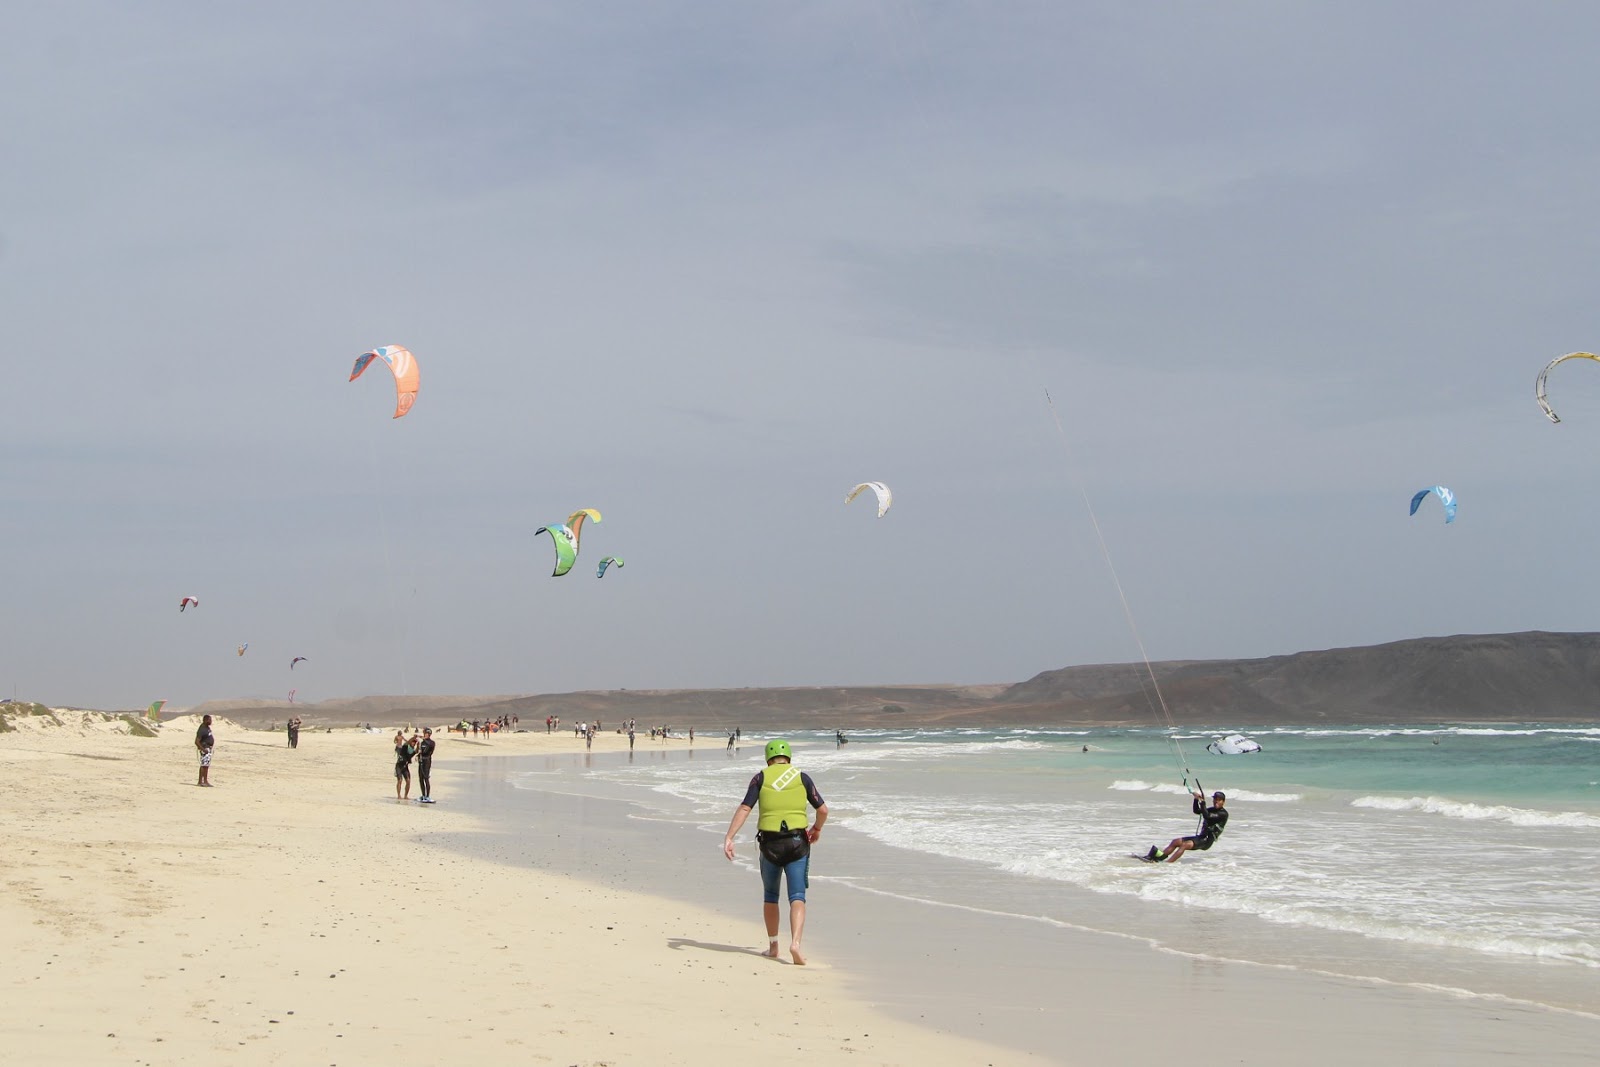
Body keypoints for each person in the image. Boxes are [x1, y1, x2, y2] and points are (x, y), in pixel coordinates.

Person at [722, 739, 828, 965]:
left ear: (767, 758)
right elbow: (823, 810)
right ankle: (796, 944)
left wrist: (729, 837)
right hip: (798, 844)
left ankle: (773, 946)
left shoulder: (760, 778)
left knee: (771, 896)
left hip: (770, 846)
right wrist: (816, 829)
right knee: (797, 896)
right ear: (789, 757)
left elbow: (745, 808)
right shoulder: (802, 777)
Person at [1145, 791, 1228, 863]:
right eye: (1215, 799)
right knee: (1176, 842)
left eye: (1219, 800)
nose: (1216, 801)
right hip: (1201, 837)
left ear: (1223, 802)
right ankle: (1159, 858)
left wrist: (1203, 803)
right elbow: (1197, 811)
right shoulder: (1212, 809)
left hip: (1207, 841)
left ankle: (1167, 863)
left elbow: (1207, 816)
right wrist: (1196, 799)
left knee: (1184, 845)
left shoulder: (1223, 814)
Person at [394, 730, 416, 800]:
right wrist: (413, 737)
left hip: (405, 767)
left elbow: (416, 751)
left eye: (414, 743)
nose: (413, 744)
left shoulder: (412, 751)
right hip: (399, 766)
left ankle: (406, 796)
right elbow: (407, 742)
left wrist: (419, 744)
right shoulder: (405, 747)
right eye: (413, 743)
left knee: (408, 781)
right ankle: (399, 795)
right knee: (400, 780)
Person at [416, 727, 436, 803]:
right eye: (424, 733)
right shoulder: (422, 742)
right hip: (421, 761)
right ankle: (423, 795)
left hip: (427, 761)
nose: (425, 735)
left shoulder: (431, 742)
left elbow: (429, 749)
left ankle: (427, 796)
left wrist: (422, 739)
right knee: (420, 779)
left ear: (429, 734)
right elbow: (419, 751)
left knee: (426, 778)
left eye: (426, 733)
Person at [195, 714, 215, 786]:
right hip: (205, 749)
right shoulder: (202, 729)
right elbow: (196, 742)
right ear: (205, 720)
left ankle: (204, 781)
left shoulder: (207, 728)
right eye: (209, 720)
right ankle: (202, 781)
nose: (210, 721)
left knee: (206, 765)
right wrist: (203, 749)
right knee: (204, 765)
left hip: (208, 748)